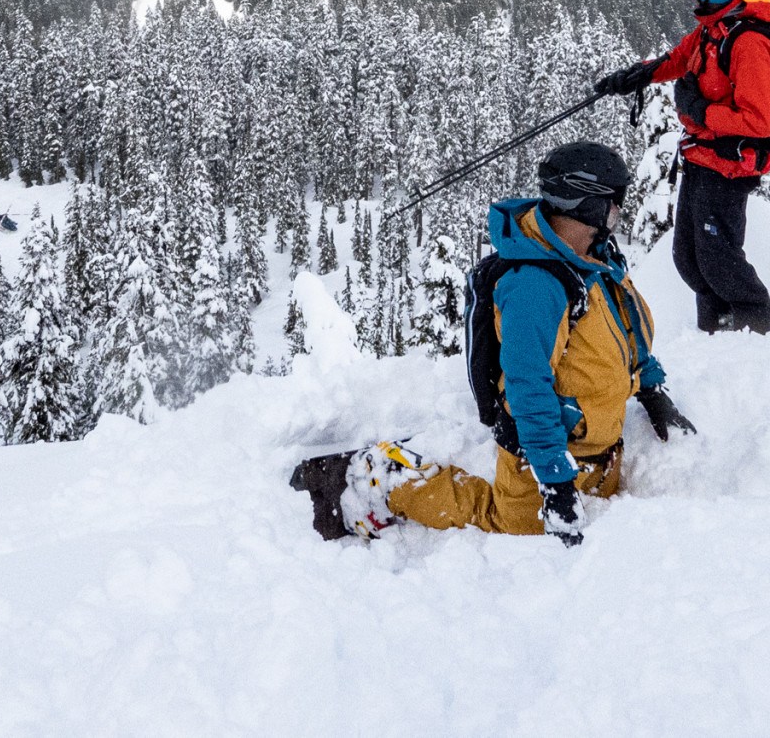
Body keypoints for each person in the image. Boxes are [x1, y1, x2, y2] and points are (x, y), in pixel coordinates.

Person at [289, 143, 694, 545]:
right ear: (585, 204)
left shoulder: (596, 259)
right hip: (543, 455)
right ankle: (379, 476)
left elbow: (629, 331)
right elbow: (527, 387)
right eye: (612, 203)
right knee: (511, 522)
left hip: (596, 450)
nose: (617, 214)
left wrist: (653, 390)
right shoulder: (535, 287)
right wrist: (553, 481)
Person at [593, 0, 770, 333]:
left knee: (718, 258)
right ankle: (717, 330)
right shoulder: (713, 28)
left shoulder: (749, 42)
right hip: (701, 157)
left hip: (730, 165)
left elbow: (759, 122)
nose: (690, 0)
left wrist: (697, 111)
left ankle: (764, 333)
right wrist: (634, 77)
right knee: (688, 258)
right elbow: (677, 60)